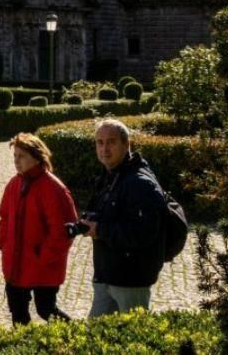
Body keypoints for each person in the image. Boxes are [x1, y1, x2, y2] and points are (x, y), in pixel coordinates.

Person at [79, 117, 169, 315]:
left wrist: (100, 230)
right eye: (99, 143)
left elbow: (143, 233)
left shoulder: (139, 182)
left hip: (131, 279)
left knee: (134, 340)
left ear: (126, 144)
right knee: (97, 339)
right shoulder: (110, 175)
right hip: (106, 275)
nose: (104, 149)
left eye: (111, 142)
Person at [0, 132, 77, 325]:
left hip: (42, 265)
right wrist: (3, 240)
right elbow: (4, 216)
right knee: (17, 312)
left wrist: (43, 256)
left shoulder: (53, 188)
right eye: (15, 156)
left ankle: (73, 337)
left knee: (46, 309)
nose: (16, 161)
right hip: (16, 261)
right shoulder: (14, 184)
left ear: (37, 156)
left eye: (21, 156)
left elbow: (63, 231)